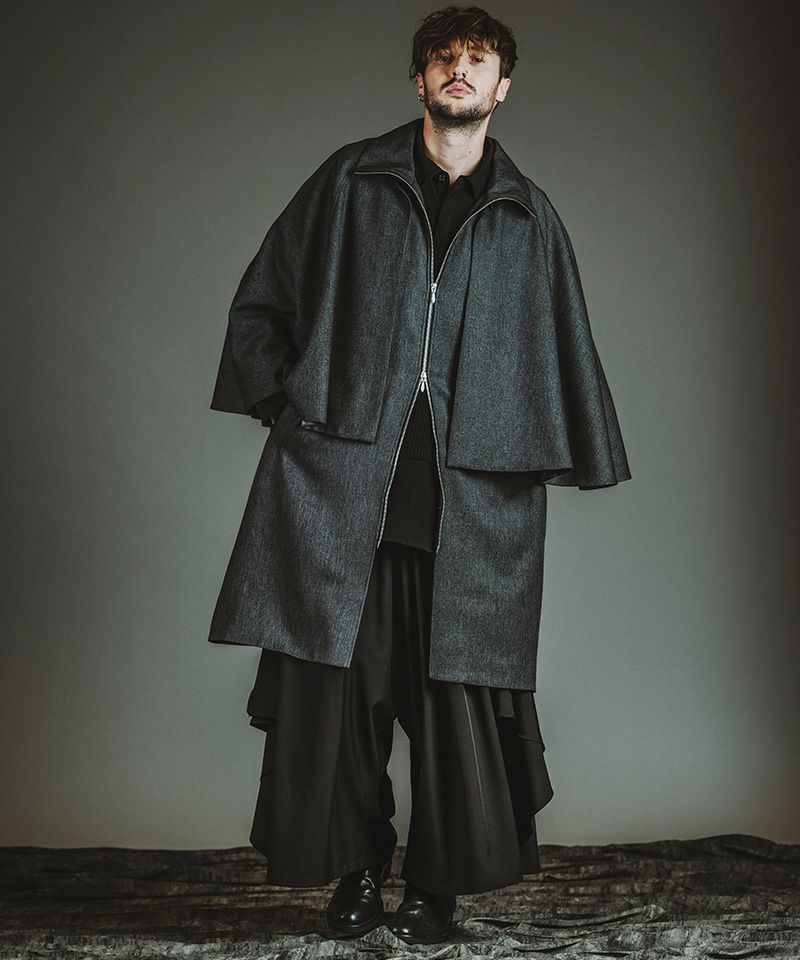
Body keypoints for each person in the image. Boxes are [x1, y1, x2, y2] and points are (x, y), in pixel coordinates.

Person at [208, 5, 631, 946]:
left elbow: (566, 356)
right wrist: (290, 409)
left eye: (478, 60)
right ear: (419, 79)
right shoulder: (351, 181)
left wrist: (540, 452)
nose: (459, 70)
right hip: (341, 504)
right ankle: (356, 874)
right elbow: (262, 300)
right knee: (339, 702)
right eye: (444, 58)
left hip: (471, 513)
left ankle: (435, 889)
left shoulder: (529, 217)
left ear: (502, 87)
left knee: (456, 712)